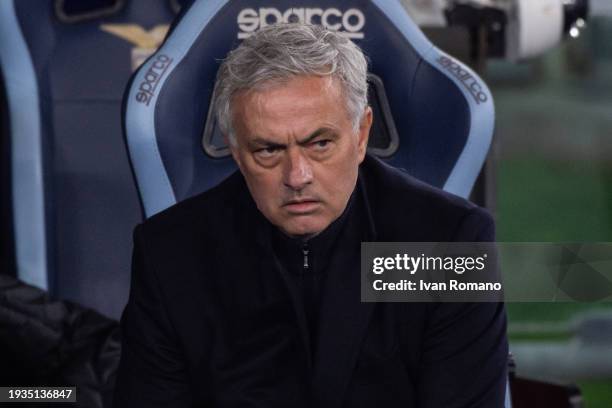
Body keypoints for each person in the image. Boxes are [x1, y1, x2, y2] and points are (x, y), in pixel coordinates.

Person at [113, 23, 508, 408]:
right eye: (268, 150)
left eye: (319, 144)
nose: (297, 177)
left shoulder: (445, 242)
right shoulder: (173, 254)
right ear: (236, 151)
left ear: (361, 134)